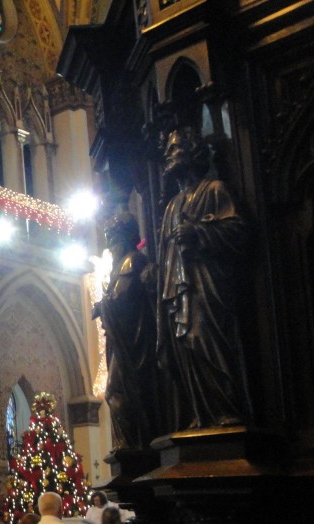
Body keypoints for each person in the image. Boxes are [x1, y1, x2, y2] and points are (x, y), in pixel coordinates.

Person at [157, 126, 250, 430]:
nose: (168, 155)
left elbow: (237, 230)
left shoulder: (215, 190)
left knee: (202, 337)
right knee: (185, 346)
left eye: (175, 148)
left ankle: (225, 409)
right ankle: (201, 412)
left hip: (206, 284)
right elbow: (165, 255)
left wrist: (198, 232)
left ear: (194, 152)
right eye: (168, 150)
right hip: (179, 288)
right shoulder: (172, 206)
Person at [93, 208, 162, 448]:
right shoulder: (121, 264)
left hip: (133, 344)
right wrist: (103, 306)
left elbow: (122, 298)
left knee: (117, 393)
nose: (110, 246)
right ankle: (129, 445)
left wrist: (104, 306)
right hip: (123, 342)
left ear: (122, 238)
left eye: (112, 239)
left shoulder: (133, 260)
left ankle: (135, 446)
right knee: (114, 393)